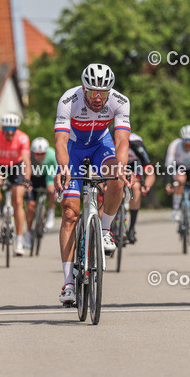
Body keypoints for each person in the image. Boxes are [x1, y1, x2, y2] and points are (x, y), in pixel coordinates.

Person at [52, 63, 131, 305]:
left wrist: (122, 165)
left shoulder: (120, 101)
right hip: (74, 151)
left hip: (101, 146)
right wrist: (63, 167)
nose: (98, 98)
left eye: (103, 92)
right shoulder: (68, 100)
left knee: (117, 178)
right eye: (93, 92)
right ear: (84, 88)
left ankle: (105, 230)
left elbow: (121, 141)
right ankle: (68, 284)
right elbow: (61, 141)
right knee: (69, 213)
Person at [0, 113, 31, 256]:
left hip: (16, 165)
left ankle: (19, 240)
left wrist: (27, 178)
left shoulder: (23, 138)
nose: (10, 132)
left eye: (13, 128)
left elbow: (27, 161)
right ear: (2, 128)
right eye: (7, 128)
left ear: (16, 129)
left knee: (18, 200)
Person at [25, 137, 57, 248]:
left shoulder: (52, 154)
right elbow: (24, 170)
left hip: (47, 175)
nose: (39, 156)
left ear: (46, 151)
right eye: (37, 154)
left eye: (42, 153)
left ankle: (51, 212)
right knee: (30, 206)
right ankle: (28, 235)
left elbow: (56, 171)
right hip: (32, 177)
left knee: (51, 189)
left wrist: (56, 187)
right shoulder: (28, 156)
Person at [124, 131, 155, 244]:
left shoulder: (136, 143)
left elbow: (150, 170)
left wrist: (146, 186)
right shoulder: (109, 142)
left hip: (134, 163)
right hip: (116, 163)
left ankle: (131, 228)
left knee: (136, 187)